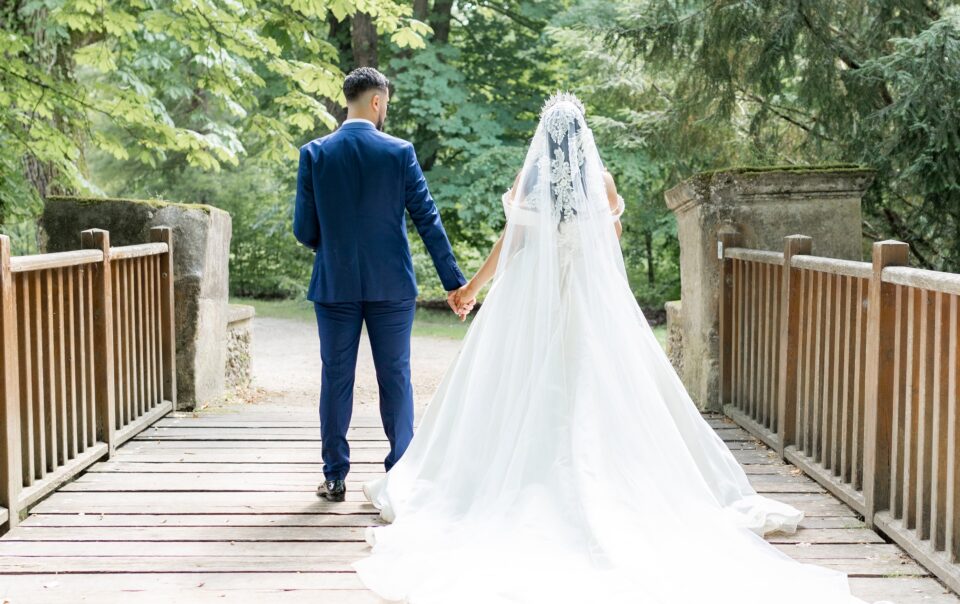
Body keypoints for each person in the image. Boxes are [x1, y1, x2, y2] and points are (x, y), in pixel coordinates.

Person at [350, 92, 889, 604]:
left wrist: (472, 288)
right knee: (599, 389)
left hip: (531, 303)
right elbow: (610, 248)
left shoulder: (528, 182)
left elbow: (509, 247)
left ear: (544, 137)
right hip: (587, 297)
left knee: (514, 387)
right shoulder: (600, 182)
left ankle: (514, 479)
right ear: (582, 136)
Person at [293, 67, 474, 503]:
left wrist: (332, 242)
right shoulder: (399, 152)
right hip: (392, 285)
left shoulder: (314, 153)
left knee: (336, 377)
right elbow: (427, 219)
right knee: (396, 377)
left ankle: (334, 476)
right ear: (377, 101)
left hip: (334, 284)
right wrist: (455, 283)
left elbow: (303, 230)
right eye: (386, 103)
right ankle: (400, 475)